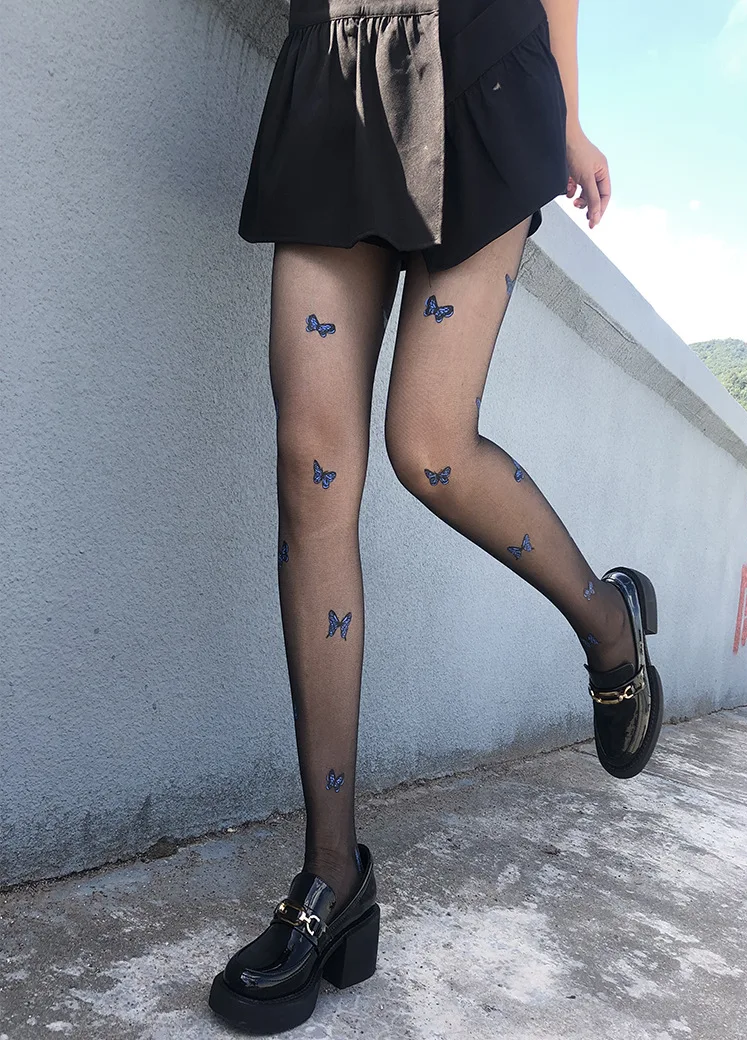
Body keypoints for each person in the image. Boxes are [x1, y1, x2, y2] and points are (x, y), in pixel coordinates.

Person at [209, 0, 664, 1032]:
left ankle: (610, 625)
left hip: (480, 65)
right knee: (309, 470)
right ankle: (333, 875)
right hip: (337, 69)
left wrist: (570, 117)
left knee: (429, 446)